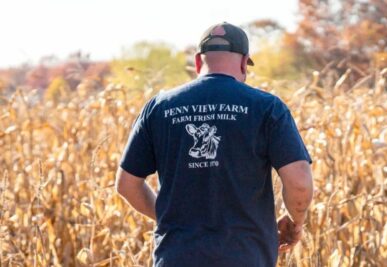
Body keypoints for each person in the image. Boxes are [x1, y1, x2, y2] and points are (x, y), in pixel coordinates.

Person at [115, 22, 314, 267]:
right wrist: (296, 221)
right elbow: (300, 184)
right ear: (244, 63)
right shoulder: (267, 108)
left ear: (198, 62)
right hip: (246, 258)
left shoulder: (159, 108)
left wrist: (172, 219)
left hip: (176, 258)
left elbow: (126, 185)